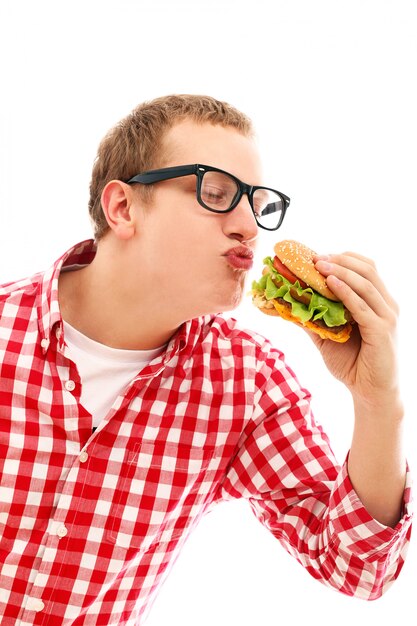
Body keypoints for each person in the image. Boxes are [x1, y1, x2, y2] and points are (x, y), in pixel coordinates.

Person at [0, 94, 412, 626]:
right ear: (123, 208)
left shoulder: (246, 381)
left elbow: (358, 568)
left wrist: (379, 401)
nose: (250, 226)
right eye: (216, 193)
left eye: (257, 205)